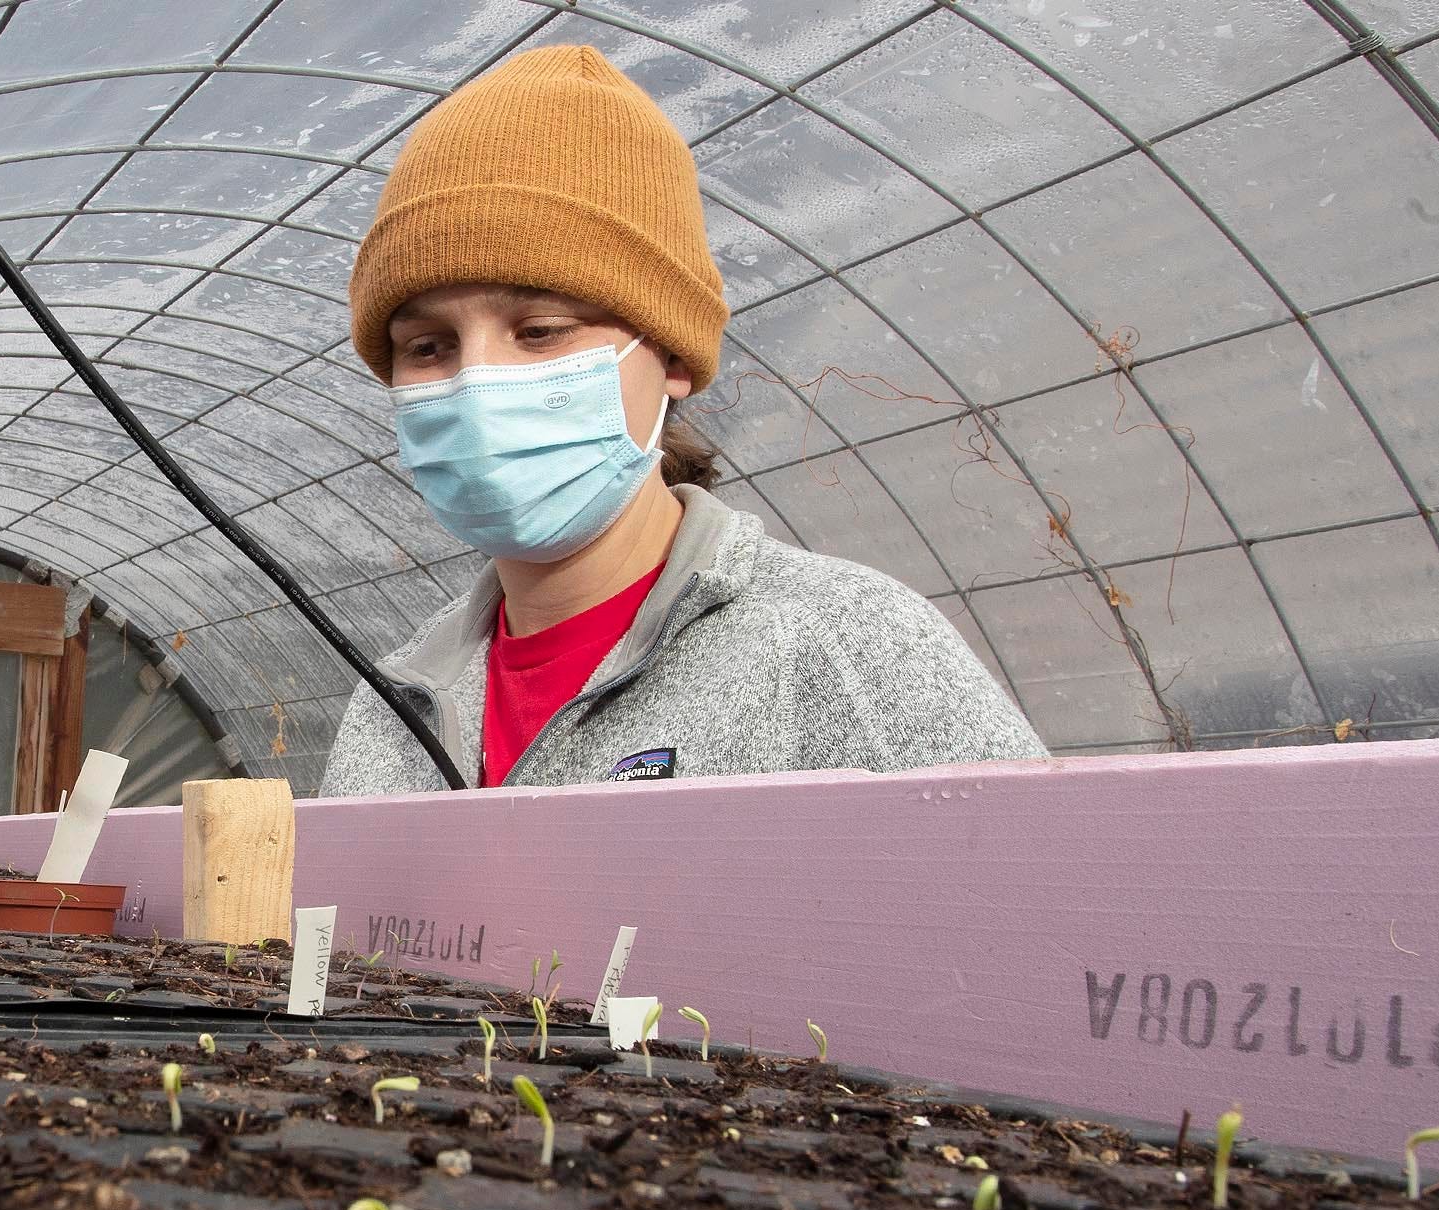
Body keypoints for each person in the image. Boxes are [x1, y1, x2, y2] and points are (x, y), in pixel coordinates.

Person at [319, 46, 1046, 797]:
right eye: (427, 347)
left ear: (670, 355)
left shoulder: (847, 646)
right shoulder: (393, 708)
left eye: (539, 330)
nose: (477, 382)